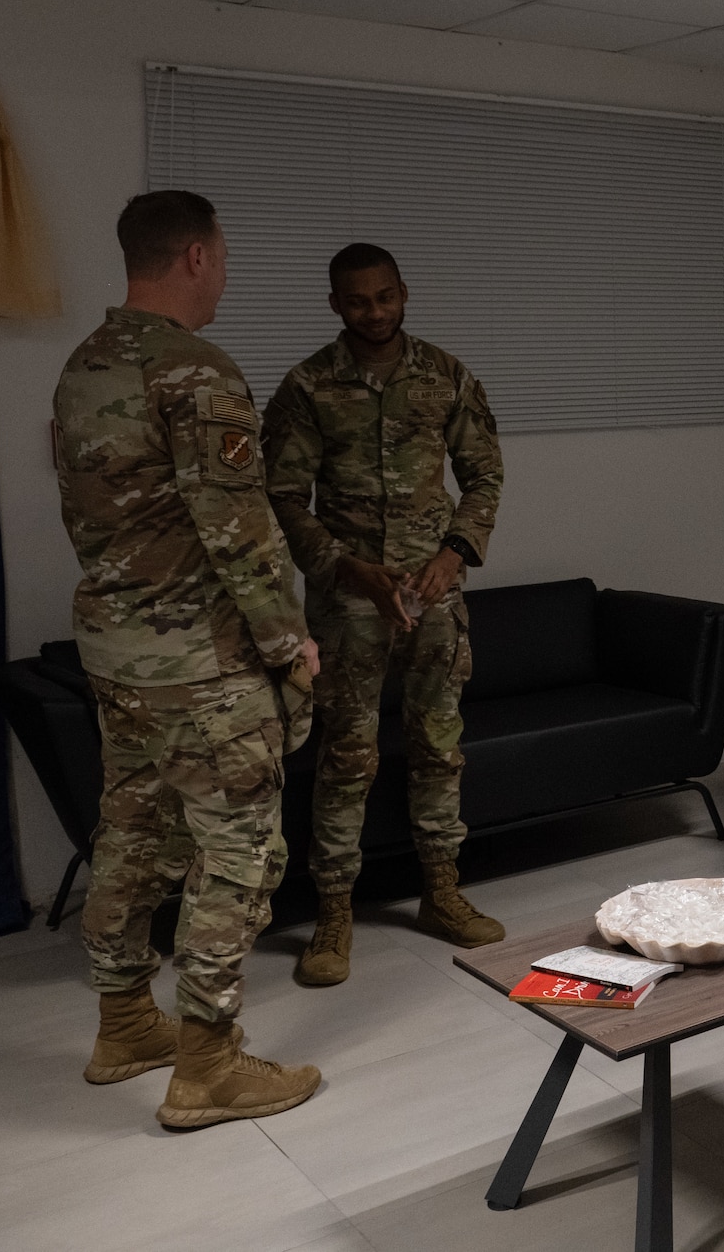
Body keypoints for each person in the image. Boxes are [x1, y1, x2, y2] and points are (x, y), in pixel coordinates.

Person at [53, 189, 322, 1128]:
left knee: (130, 831)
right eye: (225, 255)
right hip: (201, 665)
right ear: (198, 256)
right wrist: (291, 644)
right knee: (239, 852)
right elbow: (239, 535)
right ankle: (208, 1064)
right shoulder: (195, 372)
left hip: (117, 657)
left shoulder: (84, 366)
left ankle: (124, 1022)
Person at [262, 242, 506, 987]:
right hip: (347, 602)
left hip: (433, 593)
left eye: (385, 297)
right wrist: (345, 566)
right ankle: (334, 912)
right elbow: (281, 495)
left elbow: (484, 471)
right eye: (358, 301)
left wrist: (457, 551)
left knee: (439, 744)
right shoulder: (307, 387)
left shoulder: (445, 375)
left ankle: (441, 891)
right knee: (346, 757)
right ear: (335, 304)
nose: (374, 312)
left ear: (404, 292)